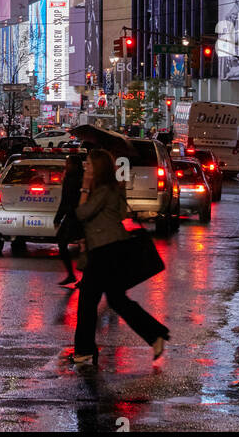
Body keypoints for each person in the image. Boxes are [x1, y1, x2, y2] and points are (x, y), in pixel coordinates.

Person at [72, 148, 169, 367]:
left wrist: (85, 187)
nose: (85, 167)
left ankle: (84, 351)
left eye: (89, 164)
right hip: (107, 250)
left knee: (88, 302)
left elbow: (82, 213)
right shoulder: (109, 190)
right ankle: (155, 335)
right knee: (116, 300)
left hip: (105, 252)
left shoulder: (104, 191)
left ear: (98, 168)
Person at [54, 153, 85, 288]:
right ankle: (71, 274)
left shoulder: (83, 179)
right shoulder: (68, 178)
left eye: (68, 163)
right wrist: (59, 217)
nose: (66, 166)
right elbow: (65, 199)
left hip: (79, 216)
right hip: (70, 216)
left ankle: (83, 277)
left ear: (75, 165)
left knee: (84, 246)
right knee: (62, 242)